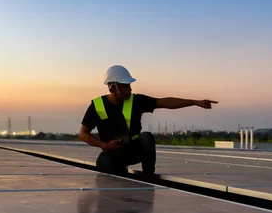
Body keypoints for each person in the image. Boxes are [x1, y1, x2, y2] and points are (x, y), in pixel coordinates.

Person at [79, 65, 218, 179]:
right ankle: (120, 172)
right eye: (126, 86)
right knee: (103, 163)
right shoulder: (97, 106)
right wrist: (105, 145)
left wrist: (195, 102)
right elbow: (83, 133)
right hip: (112, 152)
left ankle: (148, 178)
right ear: (113, 88)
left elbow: (164, 102)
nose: (130, 89)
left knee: (146, 137)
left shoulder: (136, 100)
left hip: (133, 149)